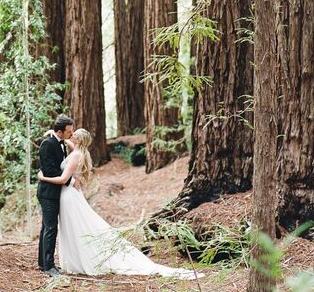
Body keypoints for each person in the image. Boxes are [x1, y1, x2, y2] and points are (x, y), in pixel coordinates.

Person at [38, 128, 199, 278]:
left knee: (76, 227)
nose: (70, 135)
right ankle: (72, 258)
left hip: (68, 195)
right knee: (73, 227)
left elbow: (63, 179)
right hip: (70, 194)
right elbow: (68, 144)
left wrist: (42, 177)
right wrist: (54, 133)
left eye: (74, 135)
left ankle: (81, 259)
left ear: (79, 140)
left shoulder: (75, 156)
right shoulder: (79, 151)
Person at [37, 114, 74, 276]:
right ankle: (49, 266)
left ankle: (42, 262)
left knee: (47, 226)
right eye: (68, 132)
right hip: (47, 193)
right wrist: (69, 178)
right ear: (59, 131)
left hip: (55, 192)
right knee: (51, 228)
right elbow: (49, 170)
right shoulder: (47, 144)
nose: (71, 134)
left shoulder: (61, 143)